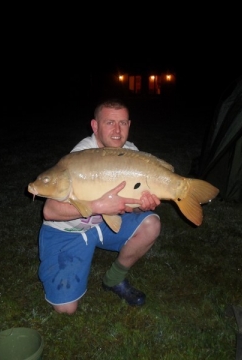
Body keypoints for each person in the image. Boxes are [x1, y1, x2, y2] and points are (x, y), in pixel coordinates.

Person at [38, 98, 161, 314]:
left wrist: (142, 205)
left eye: (122, 123)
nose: (117, 131)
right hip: (69, 230)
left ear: (129, 126)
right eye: (109, 123)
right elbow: (49, 211)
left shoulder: (131, 152)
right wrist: (98, 205)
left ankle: (114, 279)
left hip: (103, 223)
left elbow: (128, 206)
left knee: (151, 223)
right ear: (95, 126)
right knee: (66, 309)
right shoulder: (79, 156)